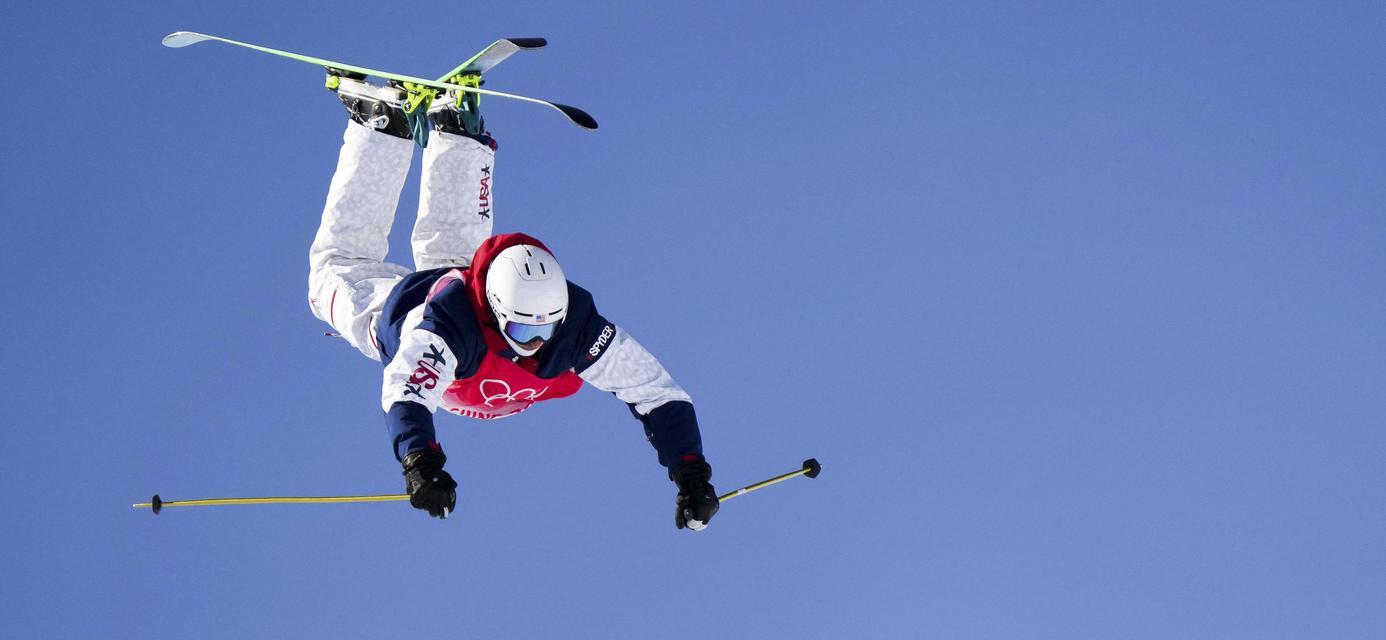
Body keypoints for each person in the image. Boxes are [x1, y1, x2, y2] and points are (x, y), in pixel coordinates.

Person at [305, 74, 717, 529]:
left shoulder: (575, 329)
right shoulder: (445, 328)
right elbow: (406, 389)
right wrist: (421, 464)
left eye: (546, 329)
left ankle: (454, 126)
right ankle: (378, 126)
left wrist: (691, 475)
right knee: (335, 271)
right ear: (496, 312)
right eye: (524, 331)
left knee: (454, 252)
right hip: (400, 309)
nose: (537, 343)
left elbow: (655, 391)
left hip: (469, 314)